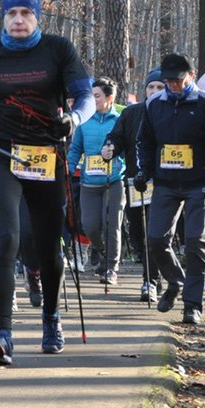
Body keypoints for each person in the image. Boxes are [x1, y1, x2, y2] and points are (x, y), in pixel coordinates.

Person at [0, 0, 94, 363]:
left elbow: (85, 96)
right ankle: (3, 335)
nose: (18, 20)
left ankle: (51, 318)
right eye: (12, 13)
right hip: (1, 155)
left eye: (26, 14)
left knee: (47, 245)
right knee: (6, 239)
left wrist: (73, 119)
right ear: (2, 17)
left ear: (37, 17)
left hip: (46, 156)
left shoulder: (58, 49)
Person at [135, 53, 205, 326]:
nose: (173, 85)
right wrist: (144, 171)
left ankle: (192, 304)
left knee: (196, 242)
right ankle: (175, 281)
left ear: (191, 75)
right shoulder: (154, 104)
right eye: (168, 81)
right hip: (165, 182)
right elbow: (145, 142)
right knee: (156, 240)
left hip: (198, 183)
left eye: (177, 80)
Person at [102, 69, 166, 300]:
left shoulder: (173, 112)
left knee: (155, 232)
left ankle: (151, 281)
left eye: (160, 87)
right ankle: (154, 273)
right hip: (136, 182)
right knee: (138, 231)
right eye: (151, 87)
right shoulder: (132, 113)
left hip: (165, 182)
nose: (155, 91)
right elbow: (116, 137)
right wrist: (109, 147)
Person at [68, 77, 125, 285]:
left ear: (109, 98)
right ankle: (102, 251)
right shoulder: (85, 120)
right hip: (89, 182)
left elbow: (127, 148)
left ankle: (111, 268)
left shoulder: (119, 119)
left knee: (112, 225)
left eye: (97, 96)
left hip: (114, 181)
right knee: (89, 225)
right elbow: (76, 148)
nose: (93, 100)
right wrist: (69, 168)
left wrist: (117, 155)